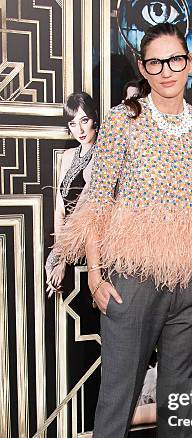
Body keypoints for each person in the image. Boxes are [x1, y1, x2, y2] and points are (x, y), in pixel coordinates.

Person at [53, 23, 192, 438]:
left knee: (179, 409)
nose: (168, 72)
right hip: (132, 280)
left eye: (177, 61)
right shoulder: (124, 125)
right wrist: (97, 277)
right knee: (115, 411)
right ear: (144, 70)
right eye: (156, 63)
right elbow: (96, 203)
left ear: (189, 65)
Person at [45, 92, 98, 295]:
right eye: (73, 124)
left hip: (89, 247)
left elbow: (80, 212)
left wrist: (63, 261)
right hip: (66, 245)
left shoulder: (102, 156)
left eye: (84, 120)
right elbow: (60, 209)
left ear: (94, 119)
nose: (80, 129)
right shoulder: (68, 156)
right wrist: (57, 254)